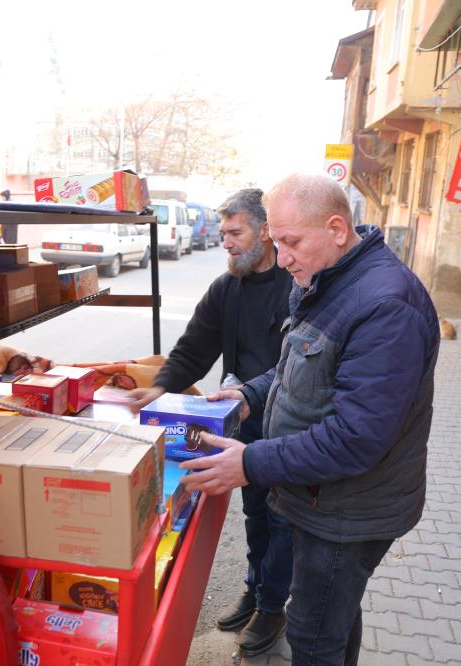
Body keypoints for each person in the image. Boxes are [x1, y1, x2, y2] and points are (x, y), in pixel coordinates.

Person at [181, 173, 439, 666]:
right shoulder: (335, 281)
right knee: (333, 616)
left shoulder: (385, 306)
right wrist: (252, 394)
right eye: (276, 243)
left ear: (337, 229)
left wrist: (251, 463)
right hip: (325, 498)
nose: (282, 258)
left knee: (314, 634)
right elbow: (300, 363)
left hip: (346, 510)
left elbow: (356, 437)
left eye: (292, 242)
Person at [127, 188, 295, 656]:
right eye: (222, 233)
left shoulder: (295, 285)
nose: (226, 242)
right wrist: (160, 387)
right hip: (240, 421)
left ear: (265, 231)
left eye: (235, 232)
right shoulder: (227, 288)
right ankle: (255, 588)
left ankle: (272, 606)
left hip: (288, 425)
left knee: (282, 519)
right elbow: (194, 346)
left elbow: (293, 365)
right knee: (256, 513)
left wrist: (250, 394)